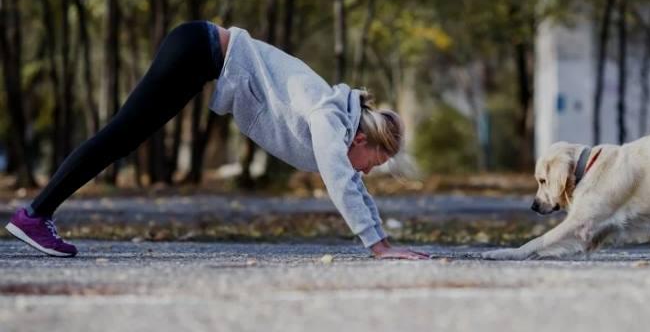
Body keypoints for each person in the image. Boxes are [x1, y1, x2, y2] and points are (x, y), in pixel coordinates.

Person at [4, 20, 429, 260]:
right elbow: (341, 179)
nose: (371, 170)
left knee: (122, 139)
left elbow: (350, 181)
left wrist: (383, 242)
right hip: (197, 49)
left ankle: (37, 214)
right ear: (360, 139)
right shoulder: (326, 115)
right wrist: (378, 246)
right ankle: (35, 215)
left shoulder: (337, 120)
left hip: (199, 51)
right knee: (119, 136)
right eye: (376, 160)